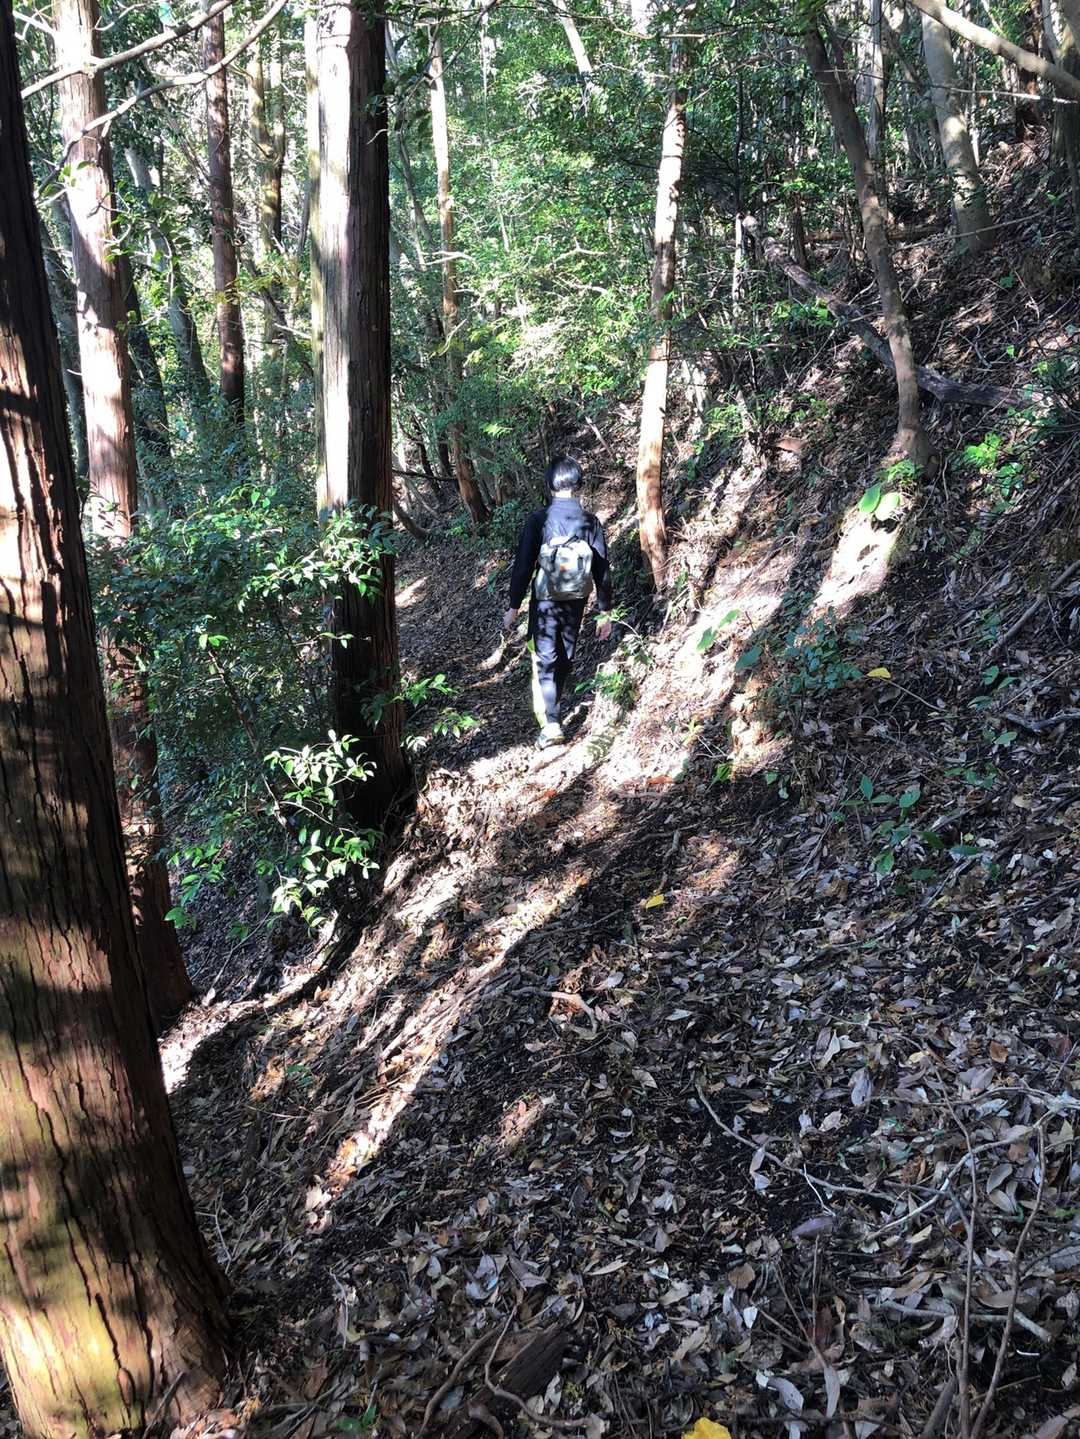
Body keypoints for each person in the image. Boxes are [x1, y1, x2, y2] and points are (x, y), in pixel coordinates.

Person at [503, 456, 613, 748]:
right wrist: (605, 611)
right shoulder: (590, 522)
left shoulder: (540, 520)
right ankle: (553, 715)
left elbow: (523, 566)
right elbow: (602, 570)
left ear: (550, 484)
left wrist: (514, 606)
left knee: (543, 658)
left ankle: (551, 723)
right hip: (576, 599)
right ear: (578, 483)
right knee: (564, 655)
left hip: (545, 602)